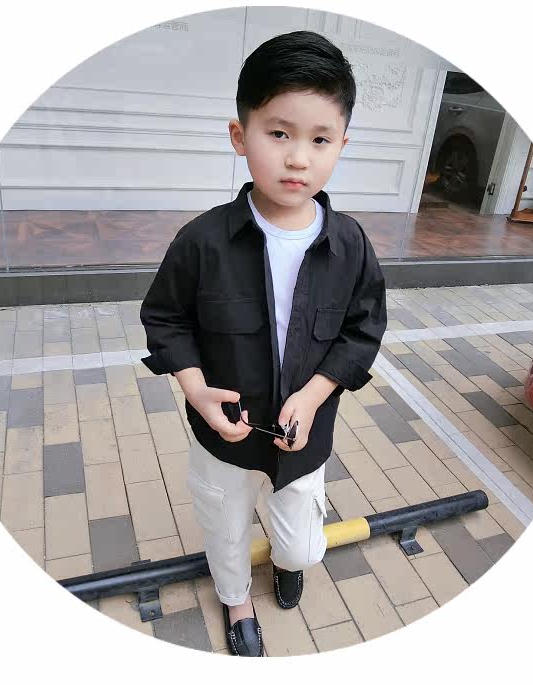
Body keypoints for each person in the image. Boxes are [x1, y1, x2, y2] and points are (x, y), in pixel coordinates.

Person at [140, 30, 387, 657]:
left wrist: (314, 394)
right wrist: (196, 390)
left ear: (342, 144)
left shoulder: (350, 245)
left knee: (302, 544)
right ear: (239, 135)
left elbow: (363, 330)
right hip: (224, 435)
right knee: (224, 531)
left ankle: (286, 559)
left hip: (304, 437)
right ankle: (236, 602)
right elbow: (165, 318)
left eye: (320, 139)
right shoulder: (202, 242)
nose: (298, 158)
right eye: (278, 133)